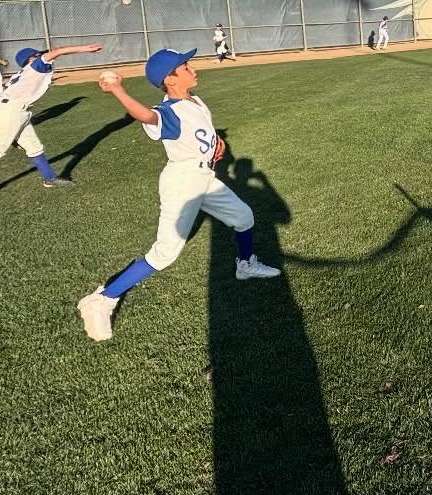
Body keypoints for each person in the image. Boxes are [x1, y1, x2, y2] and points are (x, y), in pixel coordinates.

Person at [76, 48, 280, 341]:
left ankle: (245, 265)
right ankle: (102, 299)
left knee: (243, 216)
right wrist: (119, 90)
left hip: (204, 176)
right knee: (165, 253)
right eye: (185, 66)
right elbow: (145, 115)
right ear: (170, 80)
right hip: (182, 182)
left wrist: (216, 143)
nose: (192, 68)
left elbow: (201, 130)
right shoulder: (168, 112)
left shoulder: (193, 100)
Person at [0, 42, 102, 202]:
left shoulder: (28, 70)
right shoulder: (35, 67)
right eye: (37, 55)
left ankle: (50, 178)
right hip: (11, 112)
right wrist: (83, 49)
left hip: (16, 111)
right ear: (31, 59)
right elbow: (57, 52)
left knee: (34, 147)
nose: (41, 56)